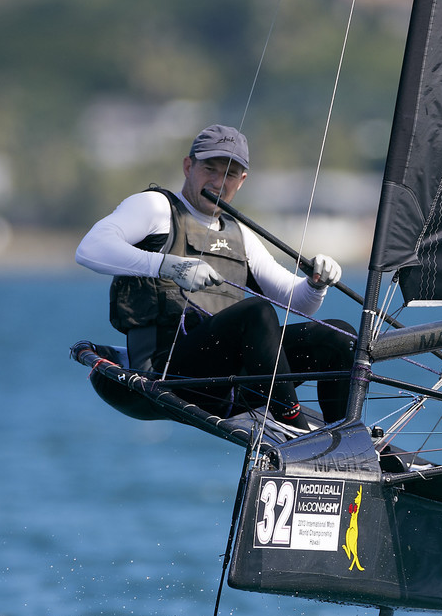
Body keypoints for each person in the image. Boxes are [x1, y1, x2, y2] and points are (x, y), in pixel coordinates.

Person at [75, 124, 354, 426]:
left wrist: (317, 284)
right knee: (256, 313)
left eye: (230, 175)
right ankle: (297, 425)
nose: (219, 182)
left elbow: (297, 302)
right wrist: (169, 266)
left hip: (227, 381)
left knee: (339, 335)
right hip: (166, 372)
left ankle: (342, 436)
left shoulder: (241, 234)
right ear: (188, 166)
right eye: (210, 168)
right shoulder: (156, 208)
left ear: (242, 181)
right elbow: (90, 249)